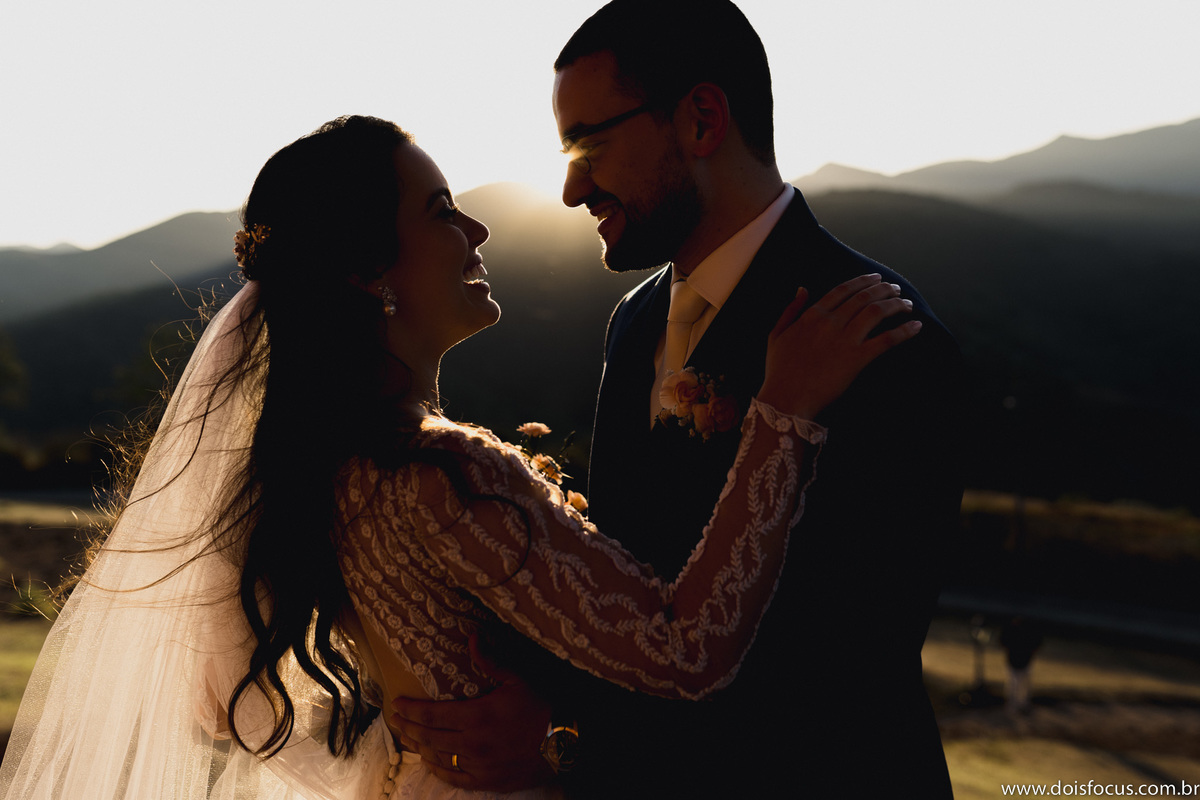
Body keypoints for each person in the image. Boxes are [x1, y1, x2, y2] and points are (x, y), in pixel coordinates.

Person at [0, 116, 919, 800]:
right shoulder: (442, 473)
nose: (477, 231)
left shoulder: (335, 464)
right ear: (368, 268)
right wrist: (782, 416)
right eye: (441, 210)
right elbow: (687, 652)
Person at [391, 2, 966, 797]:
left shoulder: (875, 334)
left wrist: (563, 721)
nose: (569, 188)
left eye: (588, 143)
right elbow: (632, 572)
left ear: (701, 119)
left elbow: (841, 665)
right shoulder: (635, 325)